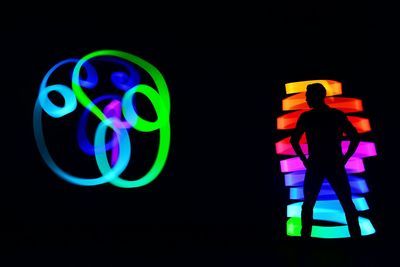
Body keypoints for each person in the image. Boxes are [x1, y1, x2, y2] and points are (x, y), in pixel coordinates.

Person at [290, 83, 361, 238]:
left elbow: (294, 140)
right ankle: (357, 241)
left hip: (315, 164)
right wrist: (345, 158)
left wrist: (304, 160)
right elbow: (355, 137)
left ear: (316, 96)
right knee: (347, 203)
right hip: (334, 163)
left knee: (308, 204)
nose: (306, 98)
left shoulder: (307, 117)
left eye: (308, 95)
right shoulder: (336, 115)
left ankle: (305, 240)